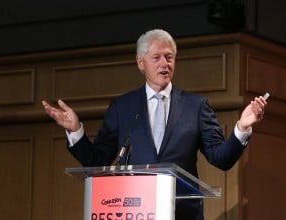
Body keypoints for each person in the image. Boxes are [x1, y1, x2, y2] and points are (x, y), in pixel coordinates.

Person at [42, 29, 267, 220]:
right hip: (133, 211)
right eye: (156, 57)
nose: (164, 64)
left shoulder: (195, 106)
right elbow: (98, 160)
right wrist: (75, 131)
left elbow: (220, 158)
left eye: (169, 57)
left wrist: (242, 128)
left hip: (182, 213)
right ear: (141, 63)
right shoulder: (123, 107)